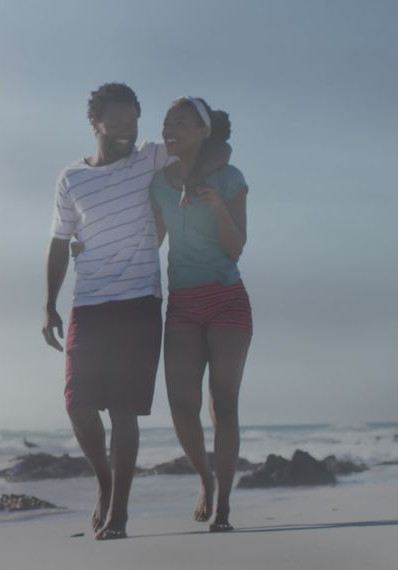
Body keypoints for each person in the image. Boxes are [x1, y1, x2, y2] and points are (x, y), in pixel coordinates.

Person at [42, 83, 228, 540]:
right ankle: (104, 484)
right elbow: (59, 243)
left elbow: (217, 147)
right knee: (78, 406)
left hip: (140, 301)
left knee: (124, 412)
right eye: (117, 123)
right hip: (88, 303)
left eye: (133, 122)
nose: (127, 131)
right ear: (95, 123)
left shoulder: (149, 157)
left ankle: (119, 516)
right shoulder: (71, 178)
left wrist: (199, 180)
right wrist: (48, 304)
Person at [149, 97, 250, 532]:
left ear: (203, 132)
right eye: (169, 122)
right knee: (180, 405)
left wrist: (217, 206)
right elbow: (151, 241)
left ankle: (223, 505)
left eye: (183, 123)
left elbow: (235, 247)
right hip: (183, 304)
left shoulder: (229, 178)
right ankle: (204, 479)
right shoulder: (157, 183)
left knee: (223, 405)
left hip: (226, 297)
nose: (172, 129)